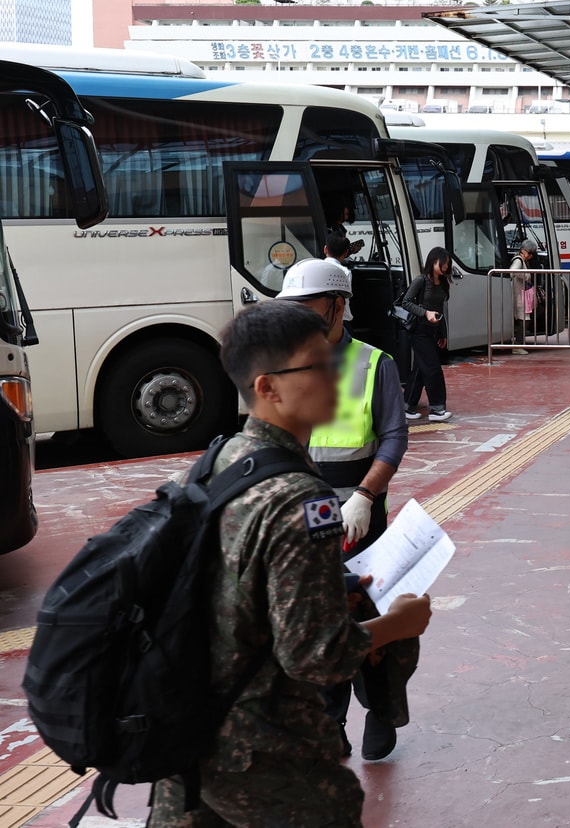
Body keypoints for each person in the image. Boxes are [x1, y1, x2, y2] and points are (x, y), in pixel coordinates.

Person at [147, 299, 431, 828]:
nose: (335, 377)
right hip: (262, 753)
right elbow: (316, 658)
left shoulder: (216, 463)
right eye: (317, 367)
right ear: (267, 388)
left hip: (186, 736)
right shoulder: (300, 498)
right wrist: (398, 624)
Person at [276, 259, 413, 762]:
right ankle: (329, 718)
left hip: (360, 515)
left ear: (337, 305)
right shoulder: (287, 363)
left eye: (307, 306)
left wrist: (366, 495)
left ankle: (381, 709)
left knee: (370, 617)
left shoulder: (375, 364)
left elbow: (394, 437)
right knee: (317, 619)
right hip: (307, 515)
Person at [401, 247, 451, 421]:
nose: (445, 267)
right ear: (433, 261)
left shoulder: (443, 283)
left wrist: (443, 334)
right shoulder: (421, 280)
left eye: (447, 264)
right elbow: (406, 302)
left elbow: (441, 310)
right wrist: (425, 313)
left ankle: (406, 406)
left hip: (434, 332)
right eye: (443, 263)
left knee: (420, 370)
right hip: (419, 331)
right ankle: (437, 409)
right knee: (432, 368)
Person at [509, 241, 542, 356]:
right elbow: (513, 271)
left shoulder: (522, 260)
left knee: (526, 317)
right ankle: (517, 345)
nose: (531, 256)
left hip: (522, 294)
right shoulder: (518, 260)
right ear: (523, 251)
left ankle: (518, 343)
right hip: (520, 294)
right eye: (530, 253)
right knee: (524, 319)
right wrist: (527, 276)